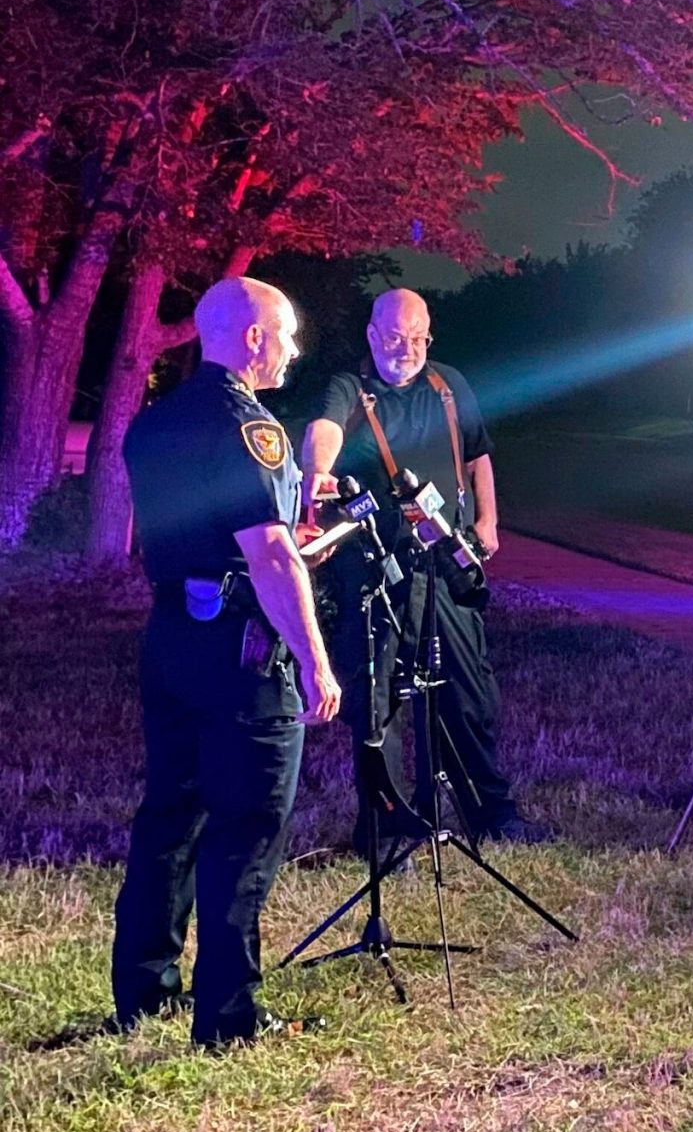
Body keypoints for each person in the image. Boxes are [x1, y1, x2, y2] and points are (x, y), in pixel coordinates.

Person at [112, 278, 343, 1048]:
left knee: (168, 815)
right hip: (241, 652)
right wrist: (315, 662)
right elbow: (271, 555)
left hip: (171, 636)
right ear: (252, 339)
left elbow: (183, 533)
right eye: (286, 334)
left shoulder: (152, 423)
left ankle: (144, 990)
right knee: (244, 828)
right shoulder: (254, 428)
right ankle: (229, 1014)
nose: (292, 348)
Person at [300, 289, 526, 843]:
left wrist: (488, 520)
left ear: (430, 335)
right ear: (373, 336)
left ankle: (491, 816)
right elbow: (322, 431)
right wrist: (317, 472)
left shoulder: (449, 386)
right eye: (396, 338)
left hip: (446, 560)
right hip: (377, 567)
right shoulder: (350, 388)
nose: (407, 349)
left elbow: (478, 456)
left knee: (468, 692)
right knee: (379, 699)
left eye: (418, 338)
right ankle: (385, 826)